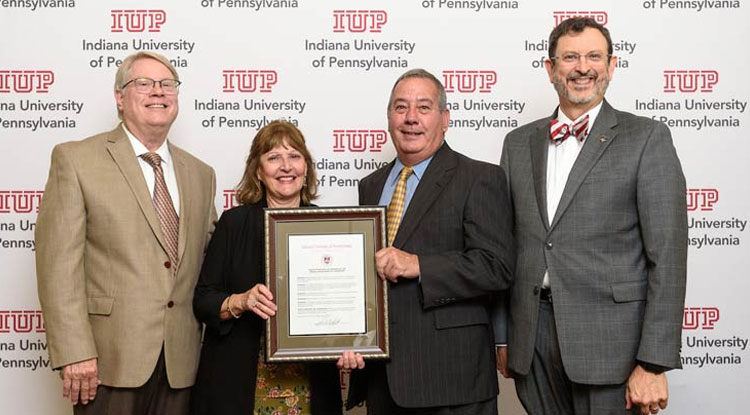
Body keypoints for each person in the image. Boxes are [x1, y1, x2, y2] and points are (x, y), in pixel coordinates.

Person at [493, 17, 688, 415]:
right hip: (534, 340)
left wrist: (652, 363)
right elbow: (504, 247)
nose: (583, 67)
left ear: (612, 66)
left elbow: (667, 256)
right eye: (570, 57)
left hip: (613, 345)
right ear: (551, 69)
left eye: (594, 56)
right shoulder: (517, 144)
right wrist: (502, 337)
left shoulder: (647, 138)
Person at [35, 51, 217, 415]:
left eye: (167, 84)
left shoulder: (200, 173)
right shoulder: (76, 160)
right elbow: (57, 265)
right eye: (144, 83)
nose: (158, 92)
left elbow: (212, 261)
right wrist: (75, 351)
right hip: (106, 362)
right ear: (120, 97)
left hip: (181, 363)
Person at [338, 69, 515, 415]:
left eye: (423, 107)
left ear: (445, 119)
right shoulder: (370, 186)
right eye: (401, 107)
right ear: (389, 117)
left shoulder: (479, 178)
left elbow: (497, 267)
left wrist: (418, 265)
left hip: (450, 379)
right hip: (383, 379)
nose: (411, 118)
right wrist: (345, 337)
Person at [190, 120, 343, 415]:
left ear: (306, 167)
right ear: (258, 172)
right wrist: (241, 301)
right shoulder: (234, 223)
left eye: (294, 156)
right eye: (273, 158)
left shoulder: (330, 225)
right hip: (239, 382)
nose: (286, 166)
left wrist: (356, 340)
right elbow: (203, 300)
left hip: (310, 383)